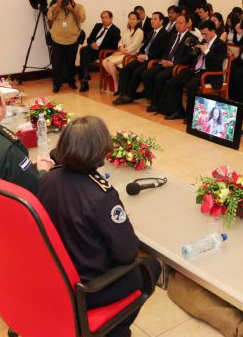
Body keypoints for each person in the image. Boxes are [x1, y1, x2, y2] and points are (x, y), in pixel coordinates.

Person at [37, 116, 161, 337]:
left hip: (54, 277)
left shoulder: (48, 179)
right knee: (150, 266)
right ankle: (112, 331)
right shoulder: (101, 195)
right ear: (100, 151)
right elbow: (127, 253)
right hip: (89, 288)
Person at [159, 20, 226, 121]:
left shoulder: (221, 44)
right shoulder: (203, 41)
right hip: (195, 69)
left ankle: (190, 116)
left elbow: (217, 62)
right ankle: (177, 111)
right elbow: (193, 57)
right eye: (202, 33)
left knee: (190, 86)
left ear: (213, 31)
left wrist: (207, 51)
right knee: (173, 82)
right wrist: (194, 50)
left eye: (205, 33)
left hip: (208, 73)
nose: (203, 36)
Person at [142, 14, 198, 113]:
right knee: (146, 74)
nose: (178, 25)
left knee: (160, 76)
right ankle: (153, 98)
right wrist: (163, 60)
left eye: (181, 23)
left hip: (178, 66)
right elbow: (166, 51)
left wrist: (173, 63)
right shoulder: (172, 36)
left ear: (187, 24)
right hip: (166, 63)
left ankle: (156, 104)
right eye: (176, 23)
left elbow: (189, 57)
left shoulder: (192, 38)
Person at [113, 12, 170, 105]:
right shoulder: (150, 33)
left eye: (155, 19)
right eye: (151, 19)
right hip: (142, 58)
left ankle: (129, 96)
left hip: (152, 60)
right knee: (125, 70)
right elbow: (144, 47)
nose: (152, 21)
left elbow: (161, 51)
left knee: (137, 72)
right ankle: (122, 93)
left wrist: (147, 56)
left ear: (161, 21)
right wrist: (140, 55)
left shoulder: (165, 34)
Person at [46, 0, 86, 93]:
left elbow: (81, 18)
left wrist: (71, 9)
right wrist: (58, 6)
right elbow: (50, 18)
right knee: (57, 62)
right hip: (57, 39)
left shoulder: (79, 7)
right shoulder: (55, 6)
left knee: (71, 62)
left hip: (73, 39)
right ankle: (56, 84)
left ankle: (71, 82)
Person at [101, 11, 144, 94]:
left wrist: (124, 51)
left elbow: (135, 45)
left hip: (131, 55)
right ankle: (116, 79)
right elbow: (120, 41)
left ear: (138, 21)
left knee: (109, 63)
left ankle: (117, 86)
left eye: (134, 19)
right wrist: (120, 47)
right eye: (130, 19)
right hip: (122, 52)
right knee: (104, 61)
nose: (131, 21)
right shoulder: (127, 30)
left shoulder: (139, 31)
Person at [79, 11, 121, 92]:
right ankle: (85, 76)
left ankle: (84, 80)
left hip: (102, 51)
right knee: (84, 50)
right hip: (92, 48)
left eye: (106, 17)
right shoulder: (98, 26)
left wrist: (99, 48)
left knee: (84, 54)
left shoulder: (115, 30)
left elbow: (113, 45)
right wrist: (91, 44)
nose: (104, 20)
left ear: (111, 18)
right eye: (102, 18)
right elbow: (89, 38)